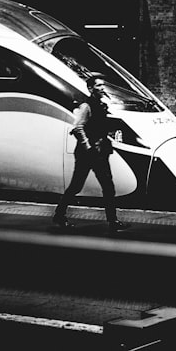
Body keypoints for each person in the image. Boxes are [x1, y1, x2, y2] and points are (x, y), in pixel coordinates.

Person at [52, 73, 129, 233]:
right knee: (76, 186)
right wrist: (88, 147)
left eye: (102, 85)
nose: (102, 88)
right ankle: (59, 214)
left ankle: (113, 220)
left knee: (108, 186)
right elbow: (78, 127)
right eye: (98, 85)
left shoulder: (101, 104)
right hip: (88, 153)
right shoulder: (86, 106)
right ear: (90, 88)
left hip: (100, 152)